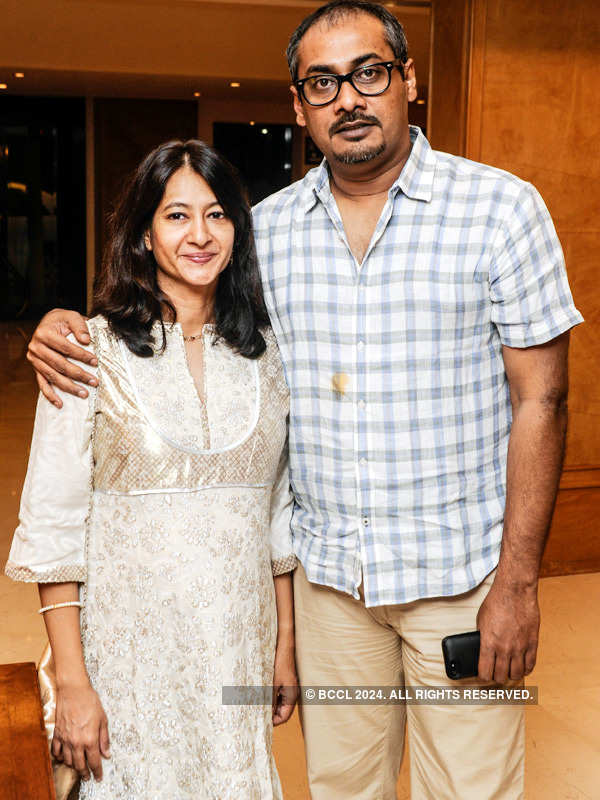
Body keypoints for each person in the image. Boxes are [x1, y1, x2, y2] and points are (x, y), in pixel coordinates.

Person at [25, 1, 584, 798]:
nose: (348, 98)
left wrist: (519, 583)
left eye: (369, 72)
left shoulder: (500, 209)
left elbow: (543, 404)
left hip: (460, 580)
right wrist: (61, 322)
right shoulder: (269, 231)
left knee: (471, 790)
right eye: (323, 82)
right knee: (340, 788)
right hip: (329, 593)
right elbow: (182, 304)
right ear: (299, 105)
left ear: (407, 80)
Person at [6, 139, 298, 800]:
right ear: (143, 233)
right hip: (127, 662)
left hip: (234, 645)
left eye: (218, 214)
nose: (200, 234)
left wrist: (282, 646)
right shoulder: (86, 352)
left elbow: (275, 517)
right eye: (177, 215)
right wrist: (75, 684)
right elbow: (53, 532)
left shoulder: (268, 356)